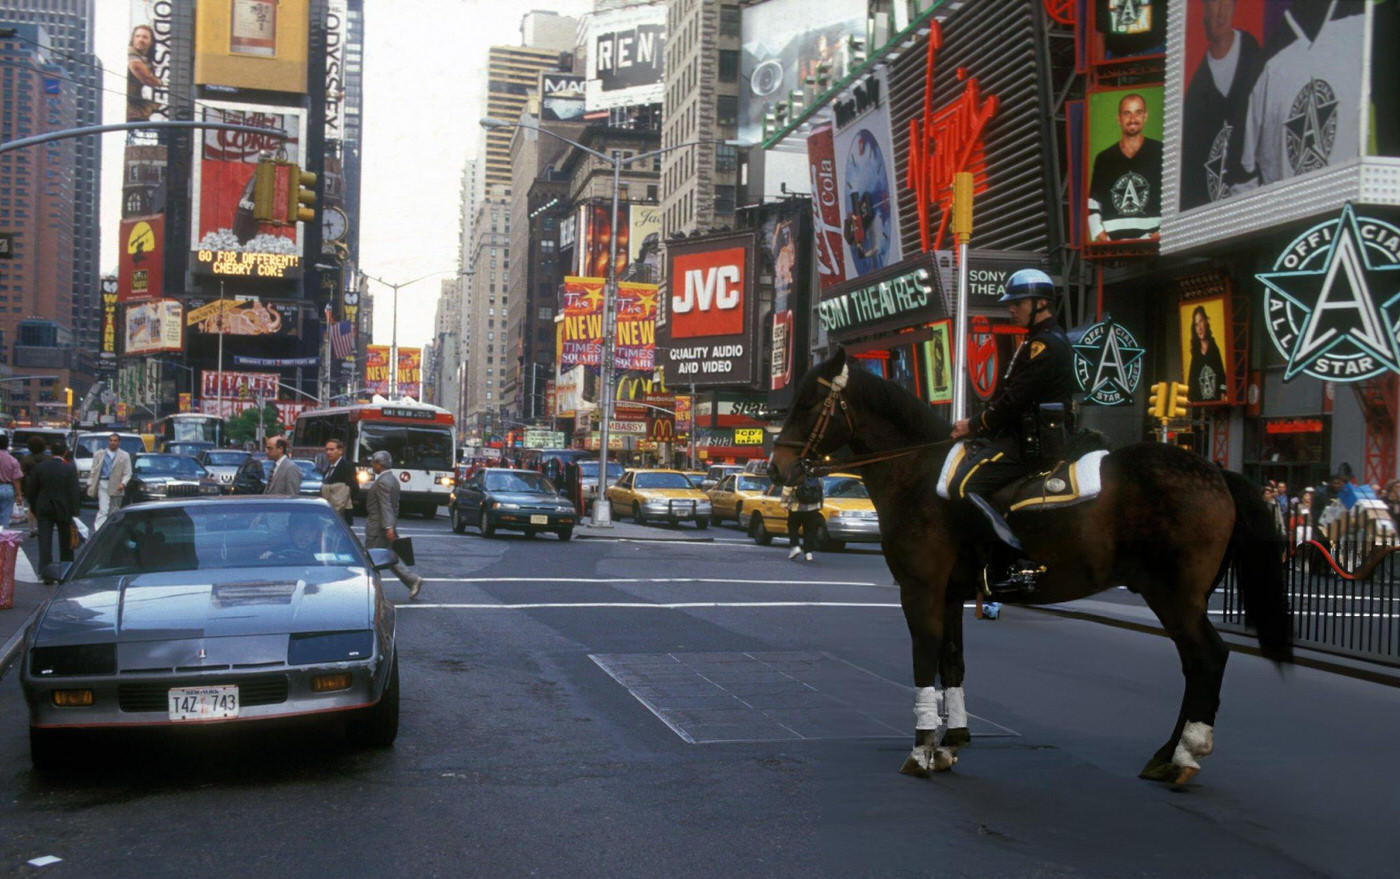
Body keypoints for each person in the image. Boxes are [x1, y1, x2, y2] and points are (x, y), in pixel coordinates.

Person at [949, 268, 1076, 593]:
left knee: (964, 486)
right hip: (1021, 434)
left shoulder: (1044, 346)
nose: (1011, 308)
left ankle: (1009, 561)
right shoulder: (1037, 342)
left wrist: (974, 425)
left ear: (1040, 303)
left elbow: (1015, 401)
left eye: (1017, 302)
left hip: (1028, 443)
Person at [1179, 0, 1261, 210]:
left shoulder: (1256, 58)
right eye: (1215, 4)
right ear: (1204, 10)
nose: (1221, 13)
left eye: (1226, 3)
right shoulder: (1194, 94)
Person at [1087, 92, 1163, 242]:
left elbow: (1175, 200)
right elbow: (1093, 203)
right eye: (1127, 113)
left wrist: (1156, 236)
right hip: (1113, 244)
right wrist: (1102, 236)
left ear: (1145, 117)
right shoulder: (1104, 158)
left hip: (1155, 242)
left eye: (1138, 113)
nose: (1133, 119)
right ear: (1119, 119)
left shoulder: (1161, 151)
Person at [364, 450, 422, 599]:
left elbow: (386, 506)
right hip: (385, 524)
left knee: (370, 559)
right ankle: (411, 580)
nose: (371, 465)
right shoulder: (392, 479)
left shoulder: (383, 482)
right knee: (387, 557)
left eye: (373, 462)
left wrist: (389, 527)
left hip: (378, 527)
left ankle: (371, 590)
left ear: (379, 464)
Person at [26, 440, 81, 579]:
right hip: (64, 508)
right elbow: (74, 492)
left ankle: (45, 572)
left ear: (51, 452)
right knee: (66, 542)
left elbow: (32, 490)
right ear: (65, 452)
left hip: (44, 507)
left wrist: (34, 507)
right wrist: (75, 512)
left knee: (44, 541)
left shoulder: (40, 467)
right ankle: (65, 571)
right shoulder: (69, 468)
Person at [86, 433, 133, 532]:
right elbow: (93, 470)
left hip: (117, 485)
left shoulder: (124, 456)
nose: (112, 442)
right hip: (103, 483)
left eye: (115, 441)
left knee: (114, 510)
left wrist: (123, 483)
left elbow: (128, 472)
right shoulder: (99, 454)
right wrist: (90, 482)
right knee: (103, 509)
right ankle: (98, 531)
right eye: (111, 440)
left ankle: (112, 530)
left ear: (119, 442)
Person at [1186, 305, 1229, 402]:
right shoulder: (1196, 353)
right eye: (1196, 324)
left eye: (1201, 321)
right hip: (1199, 403)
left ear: (1206, 321)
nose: (1199, 328)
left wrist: (1223, 392)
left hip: (1214, 403)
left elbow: (1221, 374)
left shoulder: (1214, 349)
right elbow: (1192, 378)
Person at [786, 462, 824, 563]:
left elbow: (786, 490)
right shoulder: (817, 477)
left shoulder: (794, 476)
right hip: (813, 508)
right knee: (809, 530)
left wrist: (784, 504)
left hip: (796, 508)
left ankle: (795, 546)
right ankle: (808, 553)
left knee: (792, 527)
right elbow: (821, 491)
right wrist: (820, 505)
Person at [126, 24, 162, 122]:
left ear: (151, 42)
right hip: (129, 106)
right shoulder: (131, 53)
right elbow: (145, 77)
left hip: (135, 102)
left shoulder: (145, 59)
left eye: (145, 37)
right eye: (137, 36)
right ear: (133, 39)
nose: (141, 39)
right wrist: (160, 83)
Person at [320, 437, 356, 526]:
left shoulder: (347, 467)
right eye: (327, 450)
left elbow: (354, 488)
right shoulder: (328, 467)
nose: (328, 452)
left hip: (341, 514)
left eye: (332, 449)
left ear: (340, 451)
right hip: (329, 512)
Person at [0, 435, 22, 531]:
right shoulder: (12, 460)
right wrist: (19, 495)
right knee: (5, 516)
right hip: (7, 487)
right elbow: (16, 479)